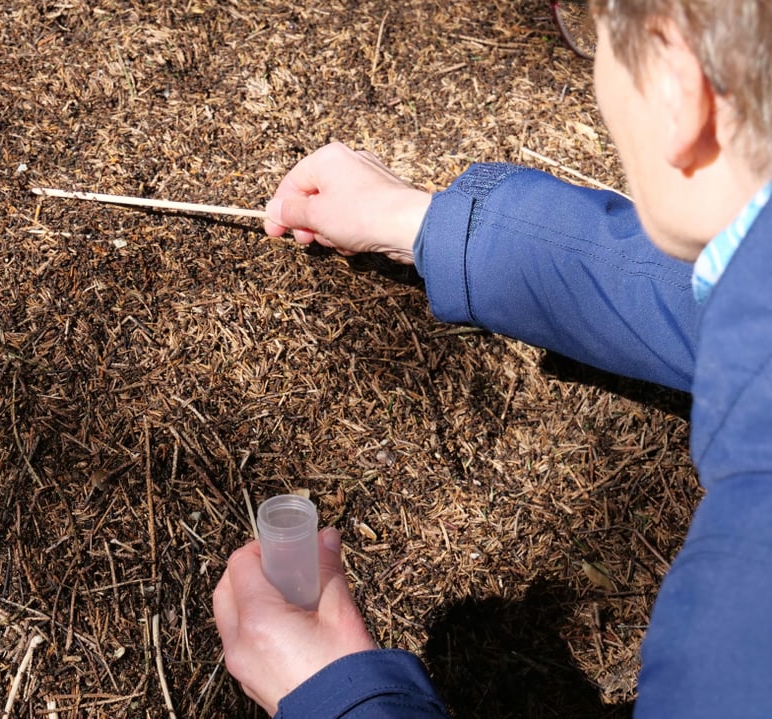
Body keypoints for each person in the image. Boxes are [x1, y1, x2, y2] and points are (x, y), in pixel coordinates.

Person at [213, 1, 772, 717]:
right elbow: (715, 296)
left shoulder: (741, 624)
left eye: (592, 32)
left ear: (676, 86)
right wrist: (428, 226)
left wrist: (334, 693)